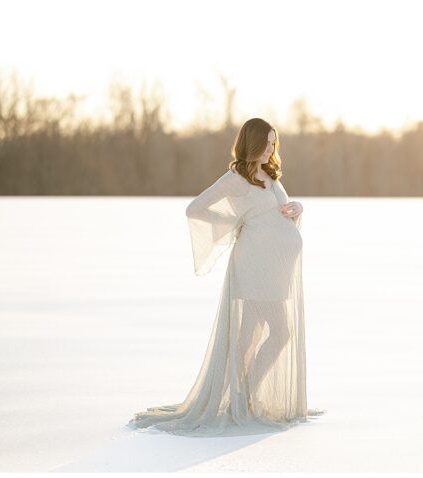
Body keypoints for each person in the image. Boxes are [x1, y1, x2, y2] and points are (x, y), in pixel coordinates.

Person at [127, 117, 325, 436]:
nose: (272, 148)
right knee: (280, 332)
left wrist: (297, 208)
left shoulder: (270, 174)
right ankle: (243, 398)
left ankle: (239, 398)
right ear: (252, 142)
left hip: (275, 268)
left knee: (249, 336)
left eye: (275, 142)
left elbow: (279, 212)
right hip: (255, 266)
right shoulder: (236, 177)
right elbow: (196, 208)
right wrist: (233, 222)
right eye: (267, 142)